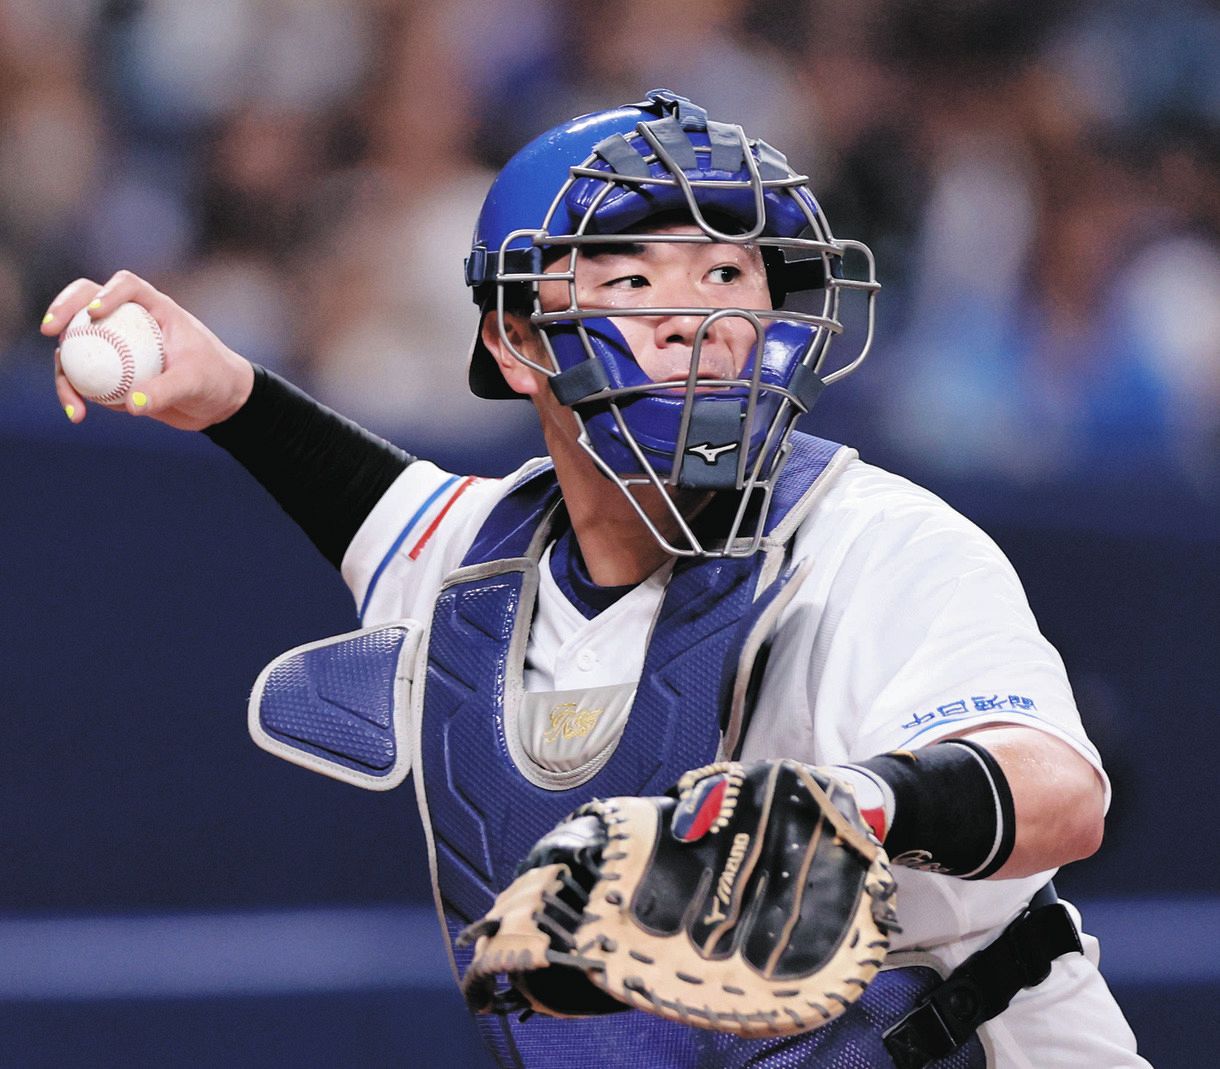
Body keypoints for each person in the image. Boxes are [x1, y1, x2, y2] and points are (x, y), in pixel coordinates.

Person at [43, 91, 1148, 1068]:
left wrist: (855, 802)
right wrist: (227, 392)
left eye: (727, 271)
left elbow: (1057, 789)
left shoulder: (871, 537)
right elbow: (364, 498)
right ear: (519, 339)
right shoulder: (475, 564)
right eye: (631, 277)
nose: (696, 317)